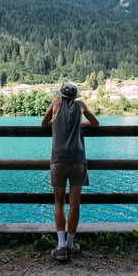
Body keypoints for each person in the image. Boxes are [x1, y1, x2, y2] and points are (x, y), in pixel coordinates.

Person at [41, 83, 99, 261]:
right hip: (78, 159)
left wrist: (55, 124)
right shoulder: (81, 106)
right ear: (75, 96)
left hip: (58, 159)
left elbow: (44, 124)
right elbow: (96, 123)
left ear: (62, 95)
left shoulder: (55, 104)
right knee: (75, 203)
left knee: (59, 202)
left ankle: (61, 246)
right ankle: (71, 244)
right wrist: (80, 122)